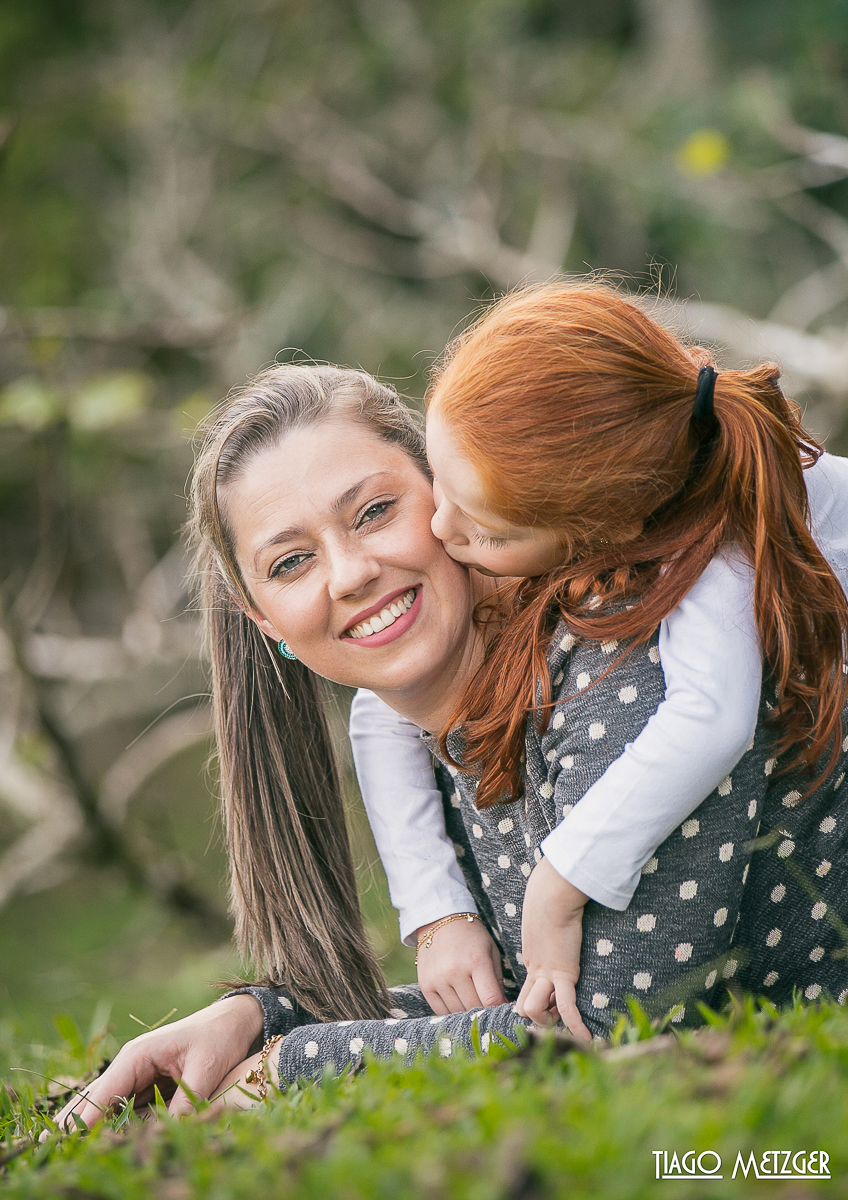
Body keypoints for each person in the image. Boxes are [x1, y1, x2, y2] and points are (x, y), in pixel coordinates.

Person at [53, 338, 848, 1127]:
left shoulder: (616, 650)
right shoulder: (430, 738)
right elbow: (526, 997)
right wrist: (261, 1018)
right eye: (291, 563)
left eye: (374, 512)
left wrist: (293, 1066)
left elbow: (605, 1025)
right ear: (269, 626)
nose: (350, 572)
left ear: (454, 496)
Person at [348, 281, 848, 1030]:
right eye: (438, 485)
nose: (443, 531)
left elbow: (712, 719)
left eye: (487, 532)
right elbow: (376, 712)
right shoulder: (642, 471)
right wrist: (436, 912)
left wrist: (560, 880)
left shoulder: (716, 555)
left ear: (606, 526)